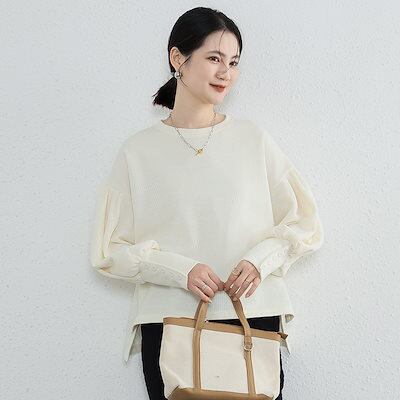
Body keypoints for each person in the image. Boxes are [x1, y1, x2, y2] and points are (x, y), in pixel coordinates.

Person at [89, 6, 324, 400]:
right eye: (214, 58)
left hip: (251, 316)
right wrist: (180, 270)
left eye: (233, 62)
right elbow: (109, 250)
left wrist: (259, 260)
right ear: (177, 58)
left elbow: (305, 222)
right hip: (170, 321)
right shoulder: (138, 152)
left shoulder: (253, 140)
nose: (225, 72)